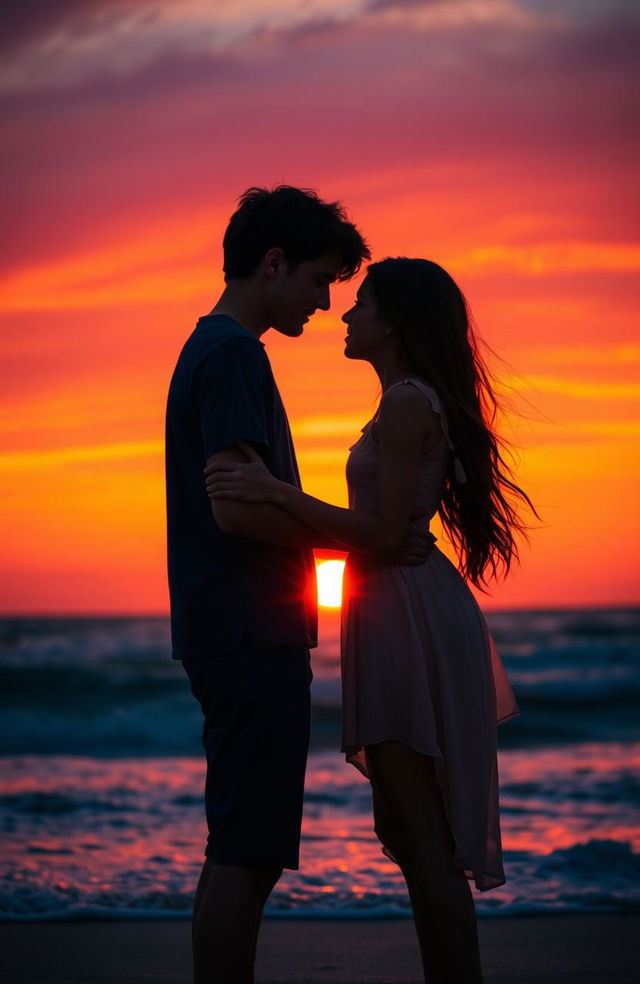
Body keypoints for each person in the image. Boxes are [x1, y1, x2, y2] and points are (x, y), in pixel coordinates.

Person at [205, 257, 534, 983]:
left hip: (404, 610)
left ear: (395, 322)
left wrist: (272, 493)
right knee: (410, 832)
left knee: (424, 837)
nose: (345, 315)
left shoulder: (409, 403)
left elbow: (383, 534)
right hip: (394, 605)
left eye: (360, 304)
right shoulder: (404, 402)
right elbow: (381, 532)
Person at [165, 191, 432, 984]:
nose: (325, 302)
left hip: (232, 628)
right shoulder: (235, 355)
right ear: (272, 264)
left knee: (241, 846)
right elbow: (239, 507)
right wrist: (370, 537)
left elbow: (247, 496)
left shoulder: (213, 351)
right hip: (248, 631)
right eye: (319, 280)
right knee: (248, 852)